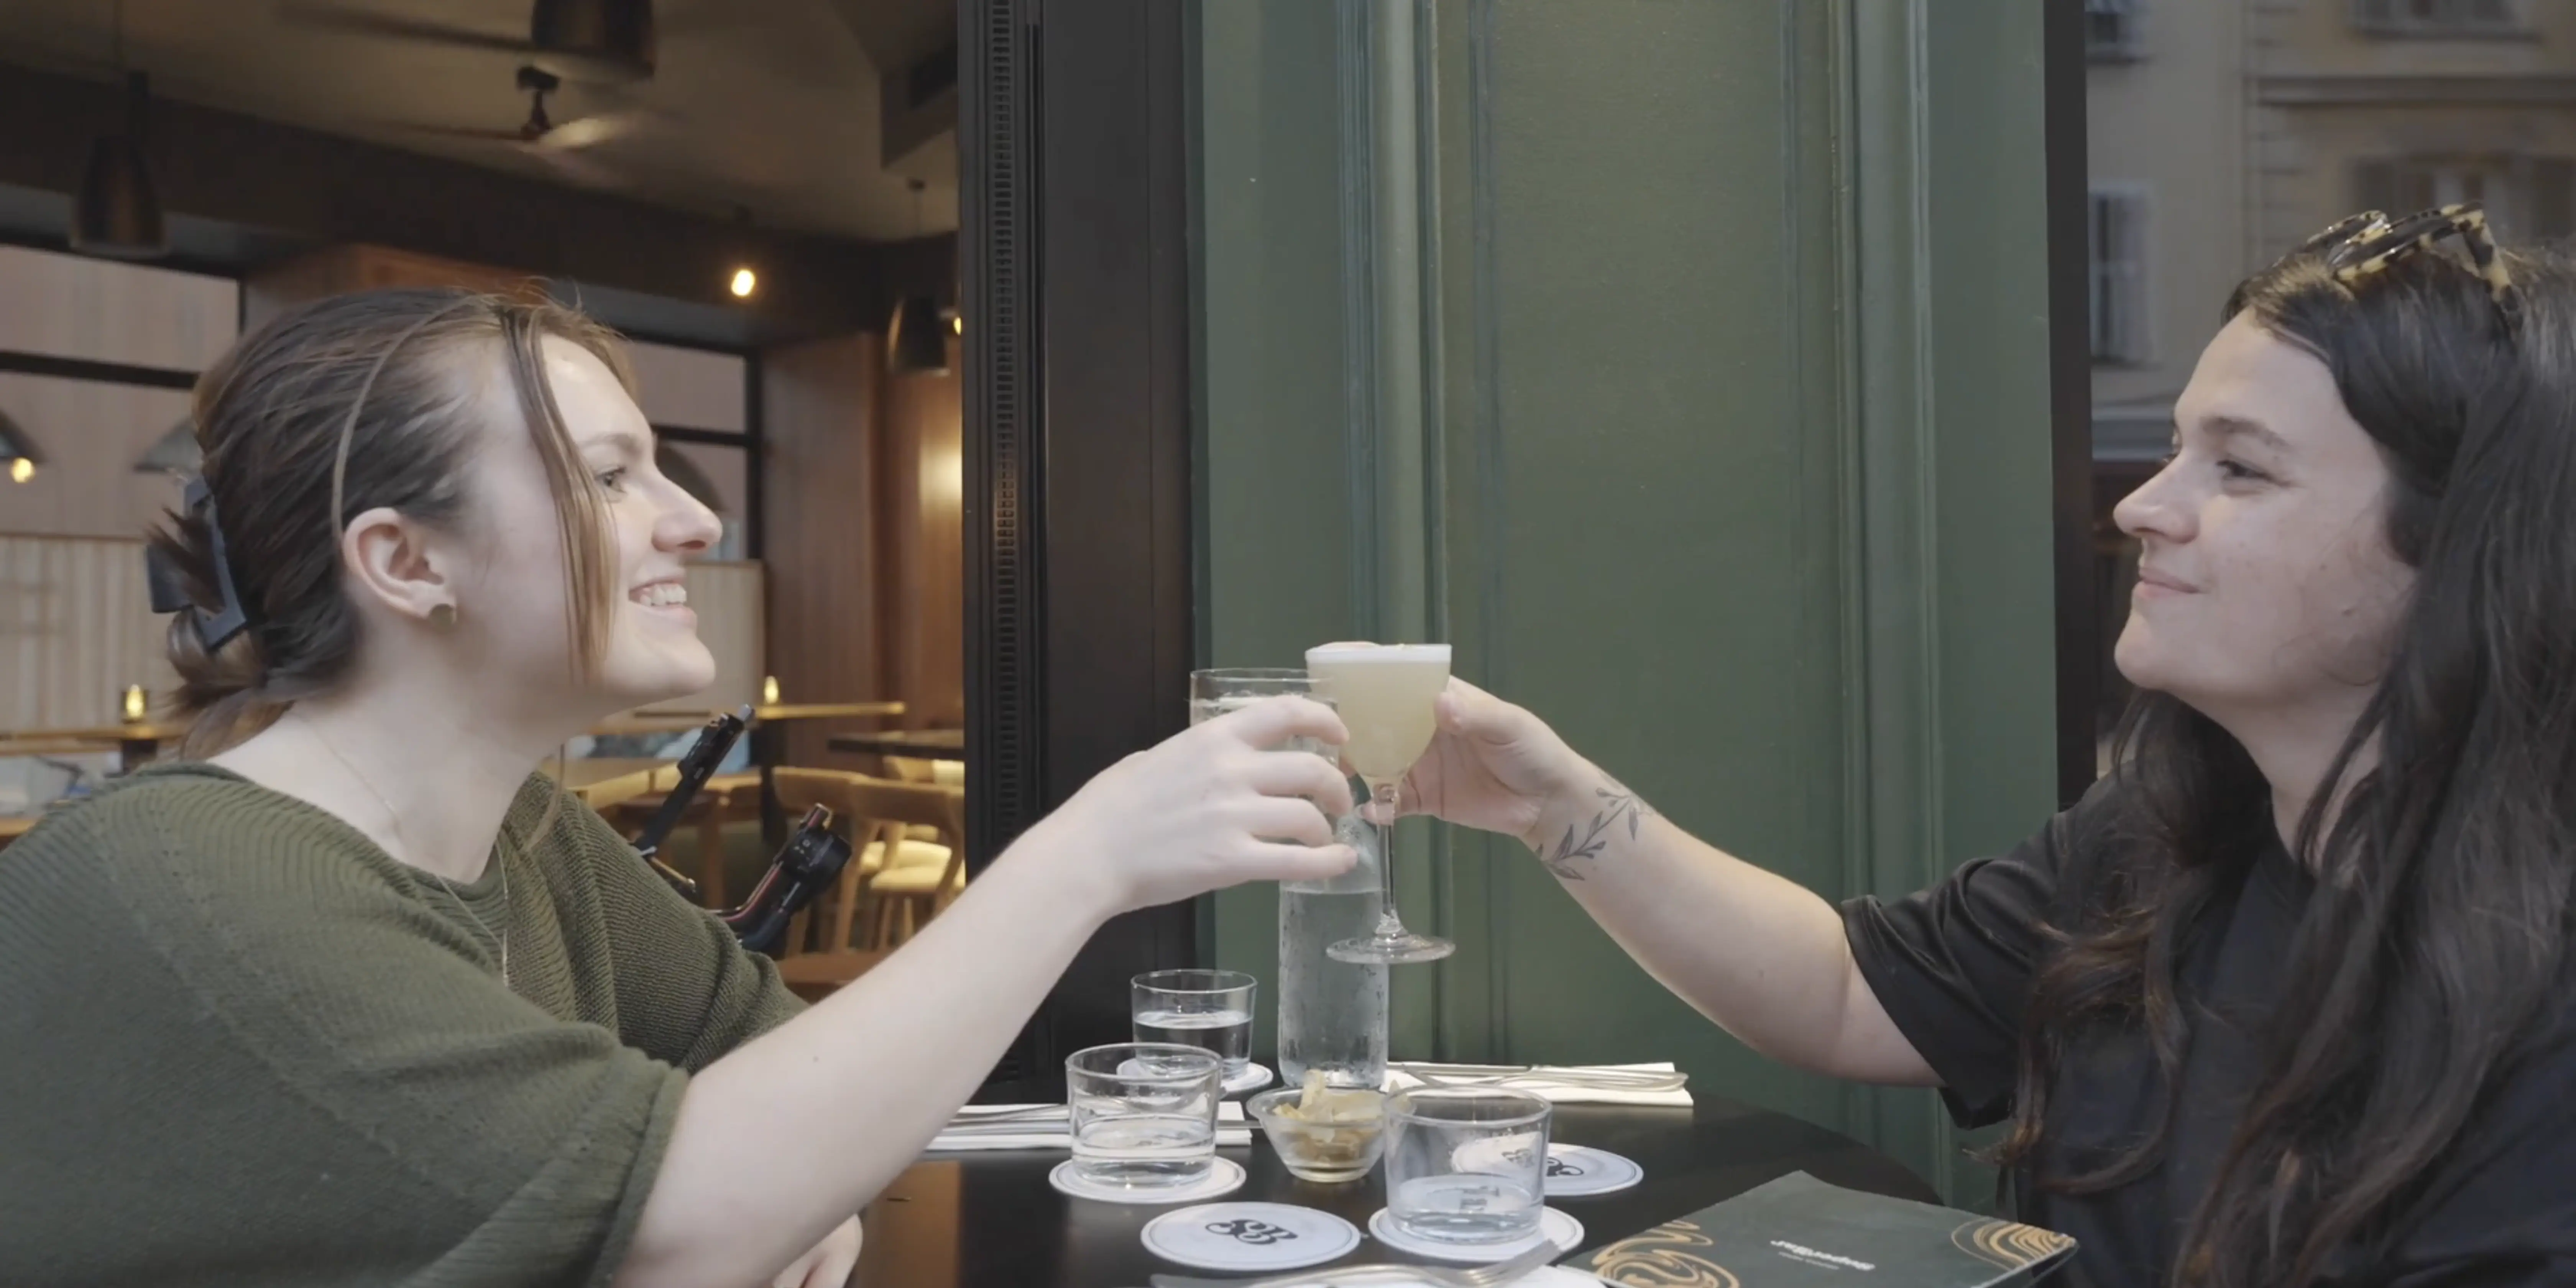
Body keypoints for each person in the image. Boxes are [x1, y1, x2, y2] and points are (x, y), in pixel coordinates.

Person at [0, 289, 1357, 1287]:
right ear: (409, 563)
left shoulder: (524, 831)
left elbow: (771, 1064)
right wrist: (1083, 860)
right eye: (608, 477)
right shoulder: (189, 884)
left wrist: (770, 1189)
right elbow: (682, 1221)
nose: (697, 521)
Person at [1385, 206, 2576, 1288]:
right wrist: (1557, 806)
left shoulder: (2540, 997)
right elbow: (1851, 994)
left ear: (2460, 542)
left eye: (2241, 470)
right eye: (2174, 449)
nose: (2142, 508)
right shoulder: (2170, 830)